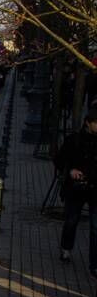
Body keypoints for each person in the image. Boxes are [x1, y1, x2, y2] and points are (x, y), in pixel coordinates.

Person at [55, 109, 97, 272]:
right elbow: (59, 160)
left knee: (95, 228)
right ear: (88, 122)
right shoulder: (74, 140)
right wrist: (71, 170)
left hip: (95, 189)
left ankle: (94, 264)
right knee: (72, 220)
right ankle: (66, 248)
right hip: (76, 188)